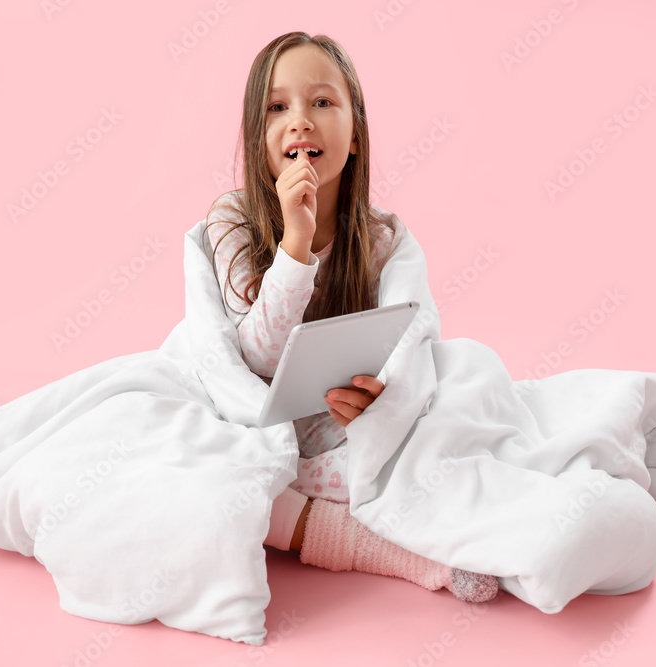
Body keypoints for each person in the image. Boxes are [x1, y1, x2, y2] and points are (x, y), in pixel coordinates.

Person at [203, 31, 498, 604]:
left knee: (465, 386)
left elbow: (415, 333)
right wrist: (295, 243)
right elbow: (257, 356)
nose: (300, 121)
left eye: (322, 102)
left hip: (346, 425)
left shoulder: (385, 237)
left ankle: (459, 519)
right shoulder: (231, 219)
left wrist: (382, 392)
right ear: (256, 137)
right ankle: (401, 553)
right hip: (253, 425)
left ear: (356, 134)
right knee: (231, 483)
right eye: (277, 107)